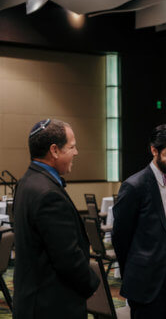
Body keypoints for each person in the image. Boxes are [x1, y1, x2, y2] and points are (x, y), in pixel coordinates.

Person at [13, 119, 100, 318]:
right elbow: (66, 256)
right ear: (54, 150)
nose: (76, 152)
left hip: (32, 299)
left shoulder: (27, 181)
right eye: (72, 147)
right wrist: (91, 284)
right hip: (52, 305)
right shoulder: (48, 194)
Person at [112, 124, 166, 319]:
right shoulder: (134, 186)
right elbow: (120, 238)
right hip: (146, 279)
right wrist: (134, 274)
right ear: (154, 150)